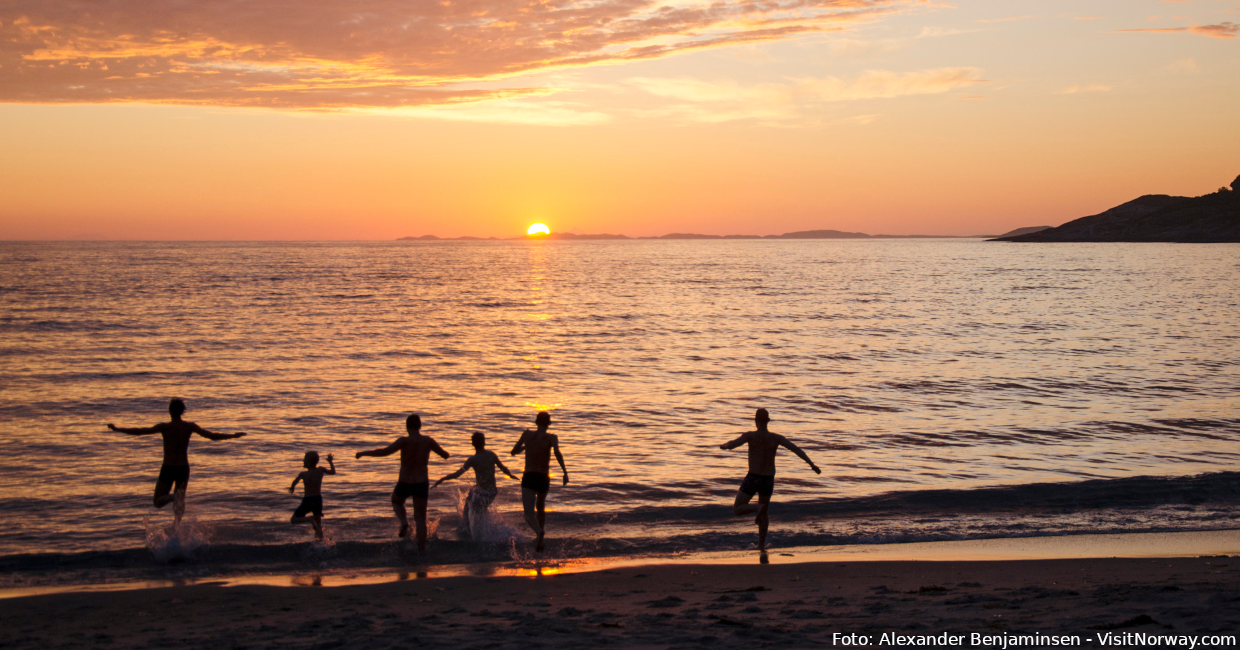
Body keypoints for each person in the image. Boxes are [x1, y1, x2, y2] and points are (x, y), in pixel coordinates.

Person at [107, 398, 247, 525]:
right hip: (183, 468)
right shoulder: (189, 427)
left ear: (169, 411)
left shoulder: (165, 427)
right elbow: (212, 436)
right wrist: (233, 436)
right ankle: (177, 526)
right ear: (182, 412)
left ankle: (172, 498)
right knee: (180, 502)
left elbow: (140, 431)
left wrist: (118, 429)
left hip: (168, 467)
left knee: (157, 502)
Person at [719, 408, 821, 551]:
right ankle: (761, 545)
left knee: (737, 508)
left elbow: (732, 444)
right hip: (768, 480)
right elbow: (796, 449)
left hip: (753, 477)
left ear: (755, 421)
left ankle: (757, 508)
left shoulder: (750, 436)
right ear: (768, 421)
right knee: (764, 513)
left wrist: (724, 446)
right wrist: (812, 465)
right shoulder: (776, 438)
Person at [355, 414, 449, 551]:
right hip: (421, 482)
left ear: (407, 427)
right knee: (420, 518)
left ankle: (404, 522)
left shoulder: (403, 441)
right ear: (420, 426)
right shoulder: (428, 441)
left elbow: (385, 452)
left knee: (396, 501)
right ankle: (421, 550)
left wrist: (364, 453)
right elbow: (445, 455)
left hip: (405, 481)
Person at [434, 432, 517, 538]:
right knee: (470, 497)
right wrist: (511, 475)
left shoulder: (473, 459)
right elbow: (503, 468)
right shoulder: (491, 455)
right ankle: (482, 527)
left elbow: (457, 474)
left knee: (472, 509)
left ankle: (473, 532)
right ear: (484, 442)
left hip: (482, 493)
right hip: (492, 492)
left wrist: (443, 479)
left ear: (473, 444)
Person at [510, 411, 568, 552]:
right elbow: (557, 453)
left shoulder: (527, 435)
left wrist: (525, 447)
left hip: (529, 476)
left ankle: (538, 531)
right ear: (548, 424)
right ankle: (540, 541)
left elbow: (513, 451)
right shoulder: (552, 437)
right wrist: (565, 472)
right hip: (543, 477)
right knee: (540, 508)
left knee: (528, 514)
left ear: (536, 422)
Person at [289, 451, 336, 541]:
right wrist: (330, 462)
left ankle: (309, 520)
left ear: (309, 462)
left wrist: (292, 487)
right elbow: (333, 472)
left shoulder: (303, 474)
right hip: (318, 500)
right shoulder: (320, 470)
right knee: (318, 525)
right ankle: (320, 544)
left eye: (304, 460)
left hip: (308, 500)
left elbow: (295, 482)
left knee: (294, 520)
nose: (303, 461)